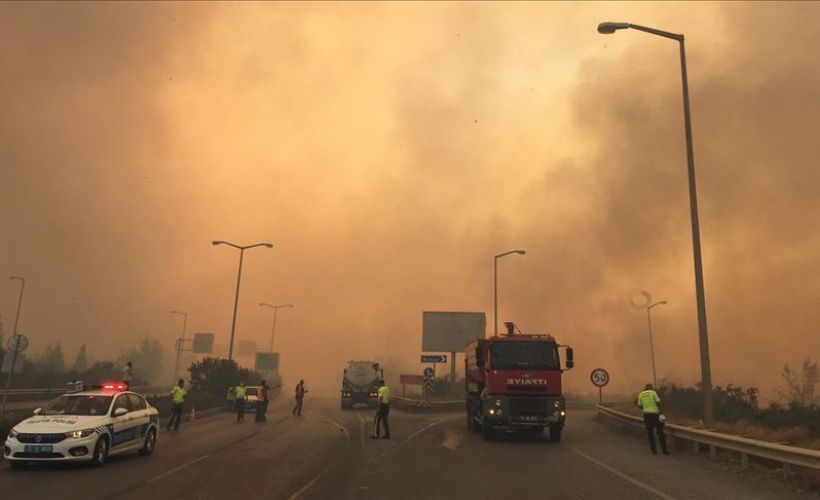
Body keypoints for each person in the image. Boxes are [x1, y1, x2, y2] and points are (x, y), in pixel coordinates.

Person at [636, 383, 669, 455]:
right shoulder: (653, 392)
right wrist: (660, 411)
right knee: (660, 432)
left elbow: (639, 405)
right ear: (651, 388)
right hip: (655, 415)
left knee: (650, 433)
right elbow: (658, 402)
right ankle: (664, 450)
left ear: (645, 388)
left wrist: (645, 408)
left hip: (647, 415)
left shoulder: (641, 394)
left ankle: (654, 451)